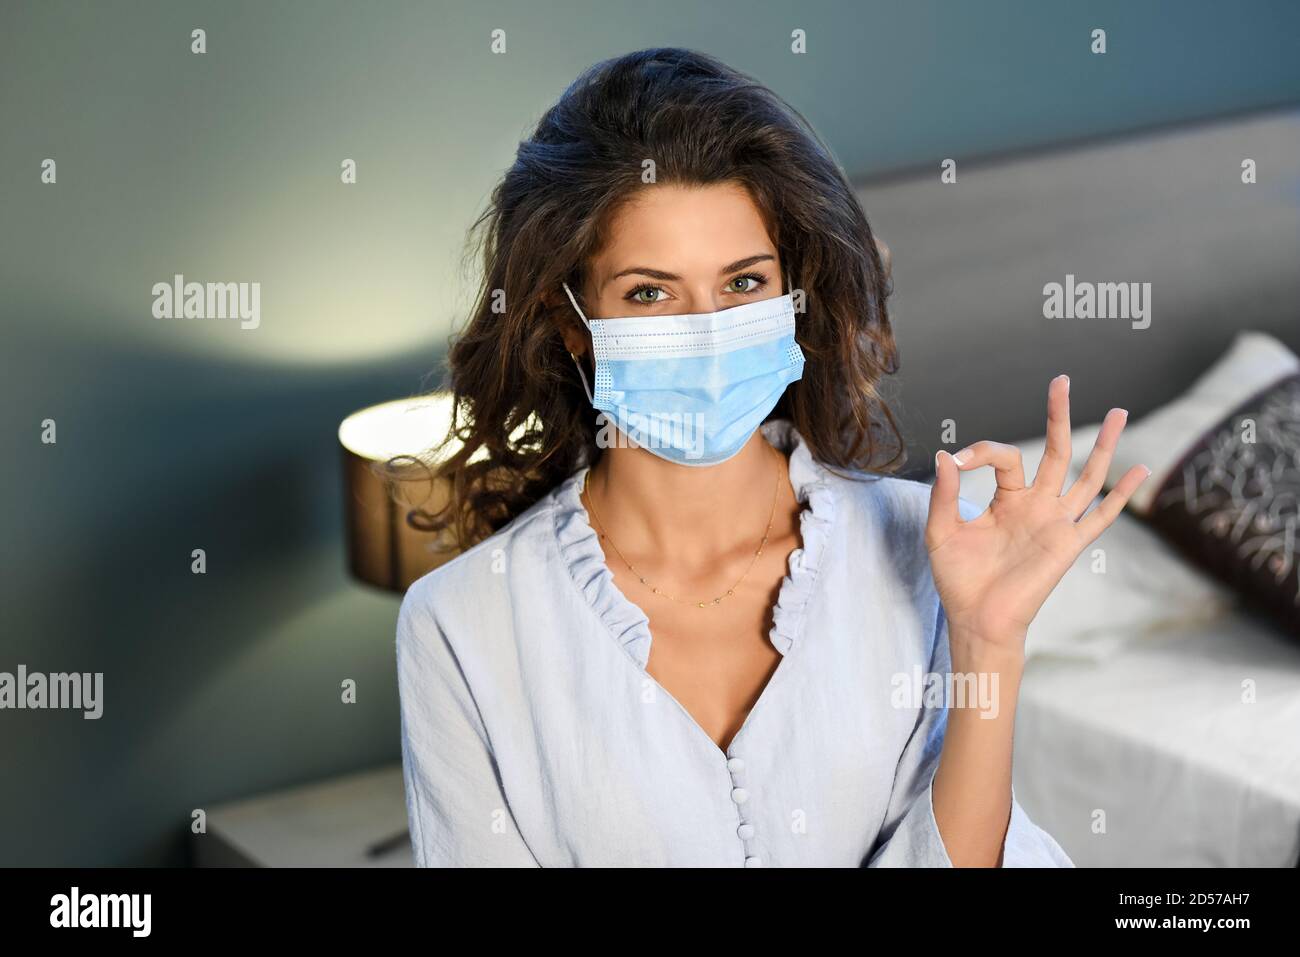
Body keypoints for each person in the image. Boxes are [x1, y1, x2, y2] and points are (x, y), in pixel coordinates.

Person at [394, 48, 1148, 867]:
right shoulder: (462, 623)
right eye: (650, 291)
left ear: (793, 290)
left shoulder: (925, 550)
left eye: (744, 283)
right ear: (572, 319)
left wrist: (989, 643)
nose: (707, 327)